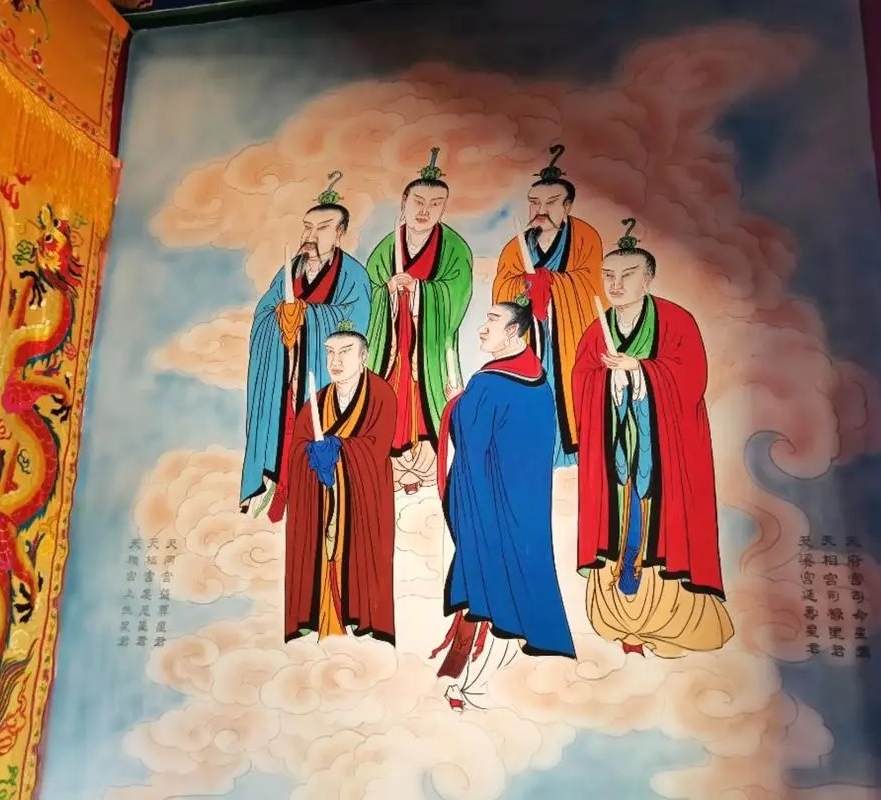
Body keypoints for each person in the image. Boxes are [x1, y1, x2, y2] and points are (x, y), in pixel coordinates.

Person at [572, 219, 734, 658]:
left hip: (665, 451)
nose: (616, 284)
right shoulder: (597, 329)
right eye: (608, 275)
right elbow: (581, 382)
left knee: (661, 529)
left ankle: (670, 622)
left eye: (627, 275)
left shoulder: (676, 321)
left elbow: (691, 378)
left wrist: (642, 372)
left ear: (648, 278)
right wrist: (610, 381)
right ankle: (620, 622)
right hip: (615, 452)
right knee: (618, 526)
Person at [430, 297, 575, 710]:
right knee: (516, 581)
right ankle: (472, 677)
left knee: (489, 588)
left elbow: (471, 439)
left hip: (492, 504)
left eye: (492, 320)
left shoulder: (489, 383)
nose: (482, 327)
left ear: (513, 331)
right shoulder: (539, 379)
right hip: (523, 502)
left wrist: (456, 402)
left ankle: (471, 682)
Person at [240, 172, 372, 521]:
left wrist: (307, 316)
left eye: (323, 228)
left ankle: (310, 490)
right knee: (282, 428)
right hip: (285, 369)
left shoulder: (353, 275)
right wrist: (282, 320)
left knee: (315, 430)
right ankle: (278, 486)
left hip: (321, 374)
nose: (311, 236)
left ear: (340, 233)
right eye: (308, 228)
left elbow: (355, 320)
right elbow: (264, 314)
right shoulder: (289, 271)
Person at [364, 147, 473, 493]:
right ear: (404, 202)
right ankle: (392, 468)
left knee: (427, 403)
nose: (425, 211)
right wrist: (387, 292)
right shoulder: (386, 248)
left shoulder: (454, 248)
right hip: (392, 346)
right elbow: (369, 294)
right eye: (419, 202)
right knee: (389, 401)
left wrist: (423, 293)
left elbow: (457, 292)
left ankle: (426, 467)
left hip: (429, 348)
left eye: (435, 204)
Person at [284, 325, 397, 643]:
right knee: (322, 554)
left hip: (364, 496)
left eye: (345, 352)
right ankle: (325, 618)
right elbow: (297, 448)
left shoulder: (381, 395)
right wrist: (312, 456)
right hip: (323, 498)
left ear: (363, 357)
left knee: (363, 559)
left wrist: (339, 449)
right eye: (330, 353)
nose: (335, 361)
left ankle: (362, 619)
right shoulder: (317, 401)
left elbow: (377, 447)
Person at [492, 144, 603, 468]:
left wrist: (551, 283)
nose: (541, 209)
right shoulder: (516, 247)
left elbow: (591, 285)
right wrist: (526, 288)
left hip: (568, 335)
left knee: (568, 394)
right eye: (535, 202)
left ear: (567, 205)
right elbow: (503, 288)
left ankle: (571, 455)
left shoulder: (585, 238)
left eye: (551, 202)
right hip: (532, 336)